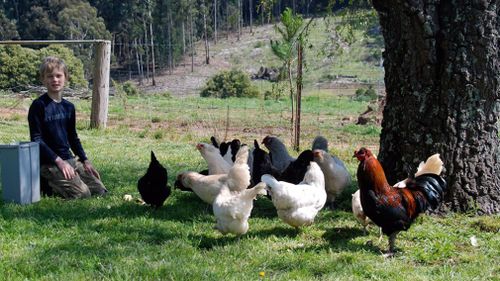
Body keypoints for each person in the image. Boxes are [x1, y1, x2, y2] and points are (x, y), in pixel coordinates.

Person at [28, 56, 107, 199]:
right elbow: (36, 139)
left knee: (100, 190)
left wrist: (85, 160)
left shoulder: (69, 107)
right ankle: (46, 185)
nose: (55, 80)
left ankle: (70, 179)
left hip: (70, 159)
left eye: (59, 76)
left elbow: (72, 136)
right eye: (50, 76)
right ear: (43, 79)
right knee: (83, 194)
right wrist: (59, 162)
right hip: (50, 163)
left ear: (66, 78)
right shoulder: (38, 106)